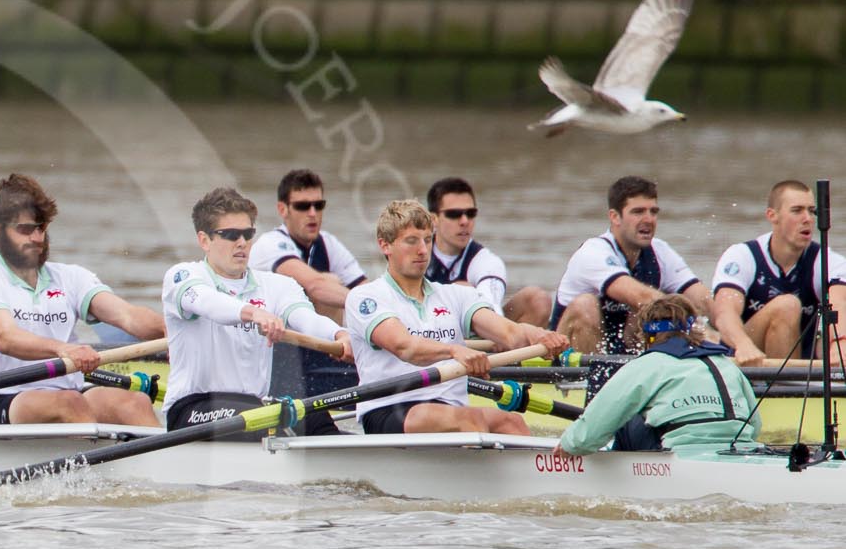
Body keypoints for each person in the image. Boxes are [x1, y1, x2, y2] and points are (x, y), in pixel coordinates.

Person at [347, 199, 571, 436]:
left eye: (427, 240)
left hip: (449, 407)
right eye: (411, 241)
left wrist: (539, 336)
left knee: (511, 422)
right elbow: (404, 347)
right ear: (385, 245)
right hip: (390, 407)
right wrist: (454, 351)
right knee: (470, 420)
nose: (423, 250)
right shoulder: (366, 297)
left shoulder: (455, 295)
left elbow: (509, 333)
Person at [0, 173, 164, 426]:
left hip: (67, 393)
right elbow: (4, 338)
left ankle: (167, 464)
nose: (37, 238)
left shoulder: (70, 277)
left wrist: (168, 329)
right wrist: (62, 349)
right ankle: (98, 462)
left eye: (41, 227)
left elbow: (127, 316)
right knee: (69, 403)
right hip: (2, 398)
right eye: (25, 229)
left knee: (134, 401)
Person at [160, 186, 352, 437]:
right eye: (230, 234)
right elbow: (209, 303)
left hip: (254, 405)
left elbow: (305, 318)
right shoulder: (183, 276)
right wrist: (254, 313)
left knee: (315, 417)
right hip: (192, 409)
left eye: (248, 233)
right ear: (204, 240)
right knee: (262, 417)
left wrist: (339, 334)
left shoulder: (276, 285)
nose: (242, 243)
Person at [556, 295, 760, 455]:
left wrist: (569, 445)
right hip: (740, 451)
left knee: (627, 411)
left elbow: (591, 431)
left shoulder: (647, 365)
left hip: (679, 454)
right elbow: (755, 425)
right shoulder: (726, 365)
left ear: (647, 335)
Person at [553, 174, 709, 355]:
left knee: (651, 311)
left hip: (622, 354)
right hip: (567, 361)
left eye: (653, 212)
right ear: (615, 217)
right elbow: (639, 295)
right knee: (587, 305)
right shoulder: (593, 252)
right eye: (638, 212)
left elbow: (703, 299)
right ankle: (583, 381)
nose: (649, 219)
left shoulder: (660, 251)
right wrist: (697, 329)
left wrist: (725, 331)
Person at [249, 168, 366, 395]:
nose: (312, 213)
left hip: (316, 350)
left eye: (318, 205)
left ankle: (341, 356)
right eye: (303, 206)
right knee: (328, 283)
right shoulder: (269, 244)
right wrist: (369, 306)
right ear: (283, 209)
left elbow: (365, 288)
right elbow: (315, 286)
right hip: (276, 354)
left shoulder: (328, 243)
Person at [707, 179, 846, 368]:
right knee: (787, 306)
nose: (808, 219)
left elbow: (840, 303)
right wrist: (743, 344)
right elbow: (724, 312)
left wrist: (841, 345)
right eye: (797, 211)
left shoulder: (827, 260)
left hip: (798, 370)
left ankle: (791, 386)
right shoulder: (742, 256)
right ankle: (786, 388)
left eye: (812, 211)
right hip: (744, 362)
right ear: (772, 216)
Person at [424, 176, 552, 325]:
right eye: (454, 214)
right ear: (433, 219)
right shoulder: (415, 253)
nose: (465, 221)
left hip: (476, 331)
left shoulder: (486, 262)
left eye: (471, 213)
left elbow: (490, 303)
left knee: (537, 300)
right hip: (423, 329)